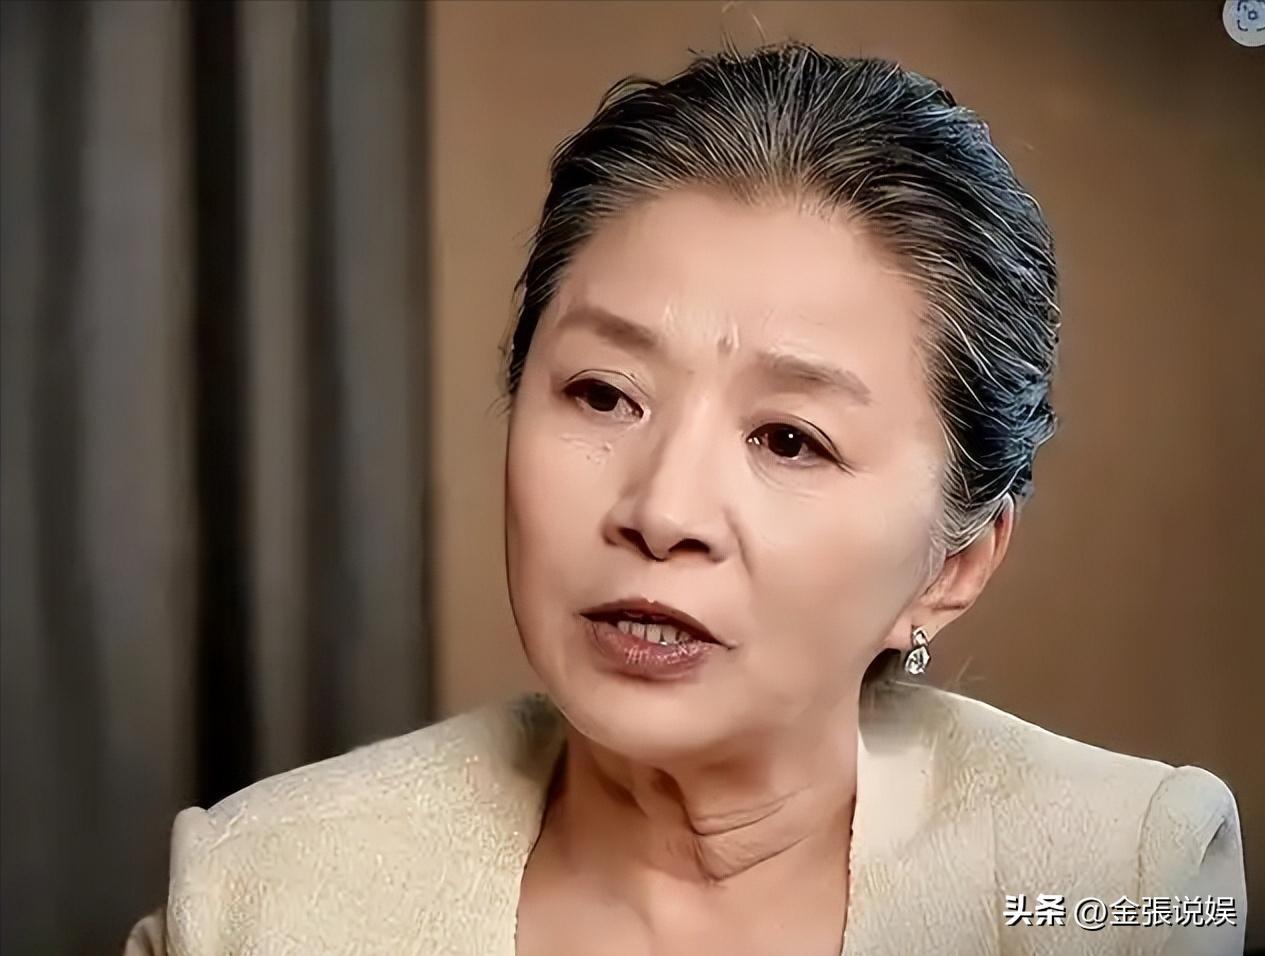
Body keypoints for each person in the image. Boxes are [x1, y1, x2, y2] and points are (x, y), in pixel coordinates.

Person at [125, 42, 1245, 955]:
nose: (661, 511)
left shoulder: (1123, 877)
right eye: (603, 394)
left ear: (951, 566)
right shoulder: (260, 893)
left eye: (789, 439)